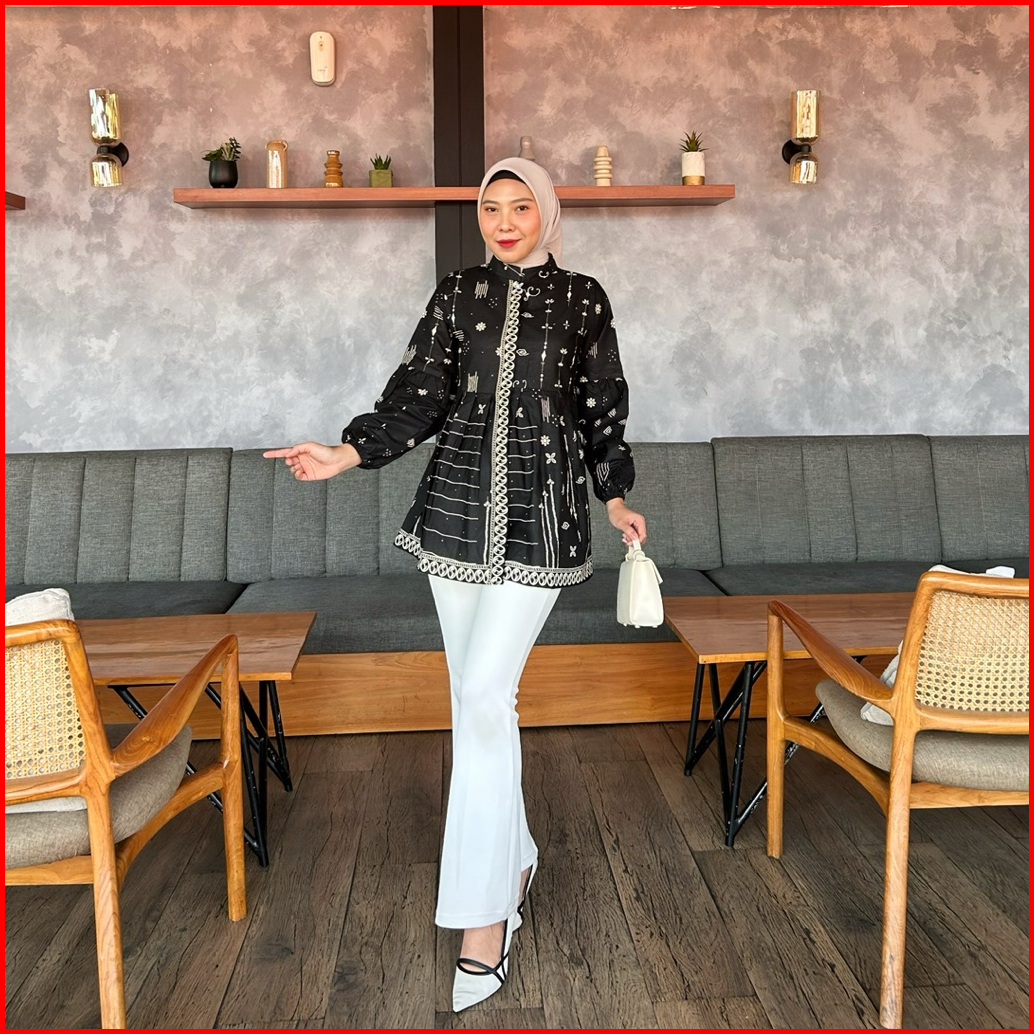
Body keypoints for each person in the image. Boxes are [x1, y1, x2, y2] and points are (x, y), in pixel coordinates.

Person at [264, 156, 646, 1011]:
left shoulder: (584, 300)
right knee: (475, 699)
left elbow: (602, 406)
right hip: (454, 513)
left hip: (545, 514)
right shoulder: (457, 295)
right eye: (491, 207)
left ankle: (484, 917)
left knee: (482, 696)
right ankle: (515, 856)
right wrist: (348, 451)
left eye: (521, 207)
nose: (504, 221)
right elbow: (418, 394)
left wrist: (615, 494)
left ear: (548, 213)